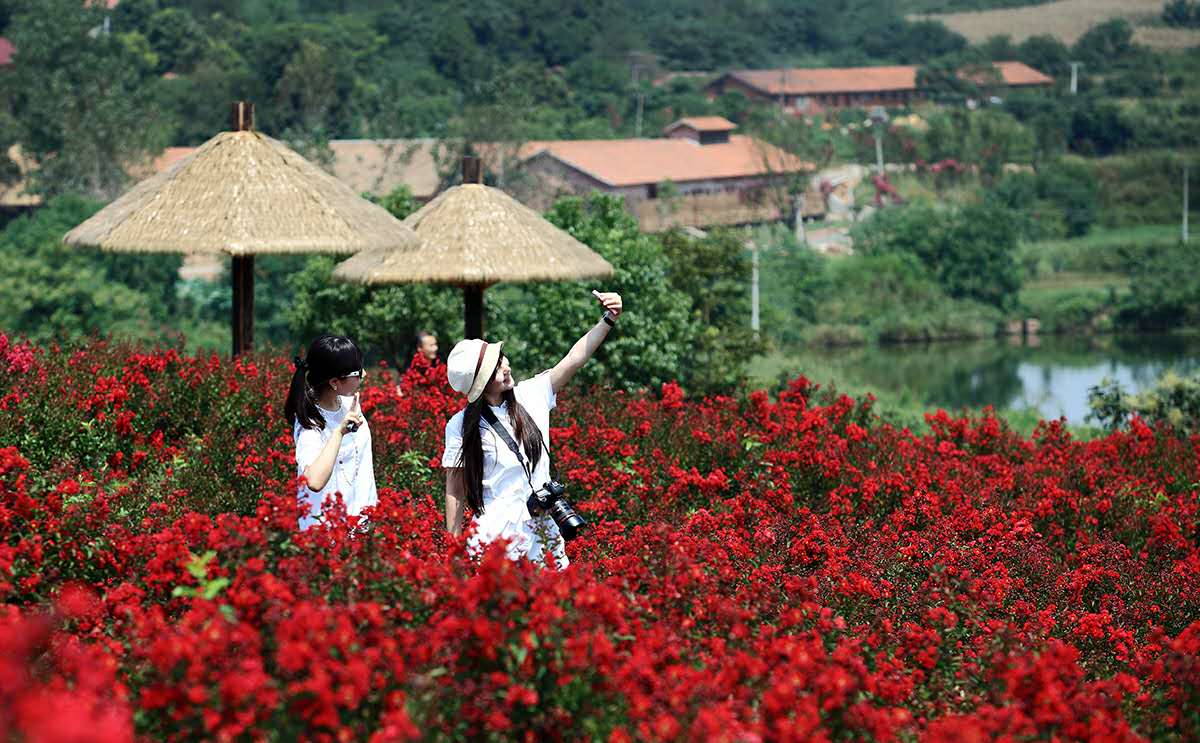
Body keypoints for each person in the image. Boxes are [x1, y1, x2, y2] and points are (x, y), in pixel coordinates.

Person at [441, 290, 623, 568]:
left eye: (501, 358)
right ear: (480, 384)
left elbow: (574, 359)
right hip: (496, 540)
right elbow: (454, 490)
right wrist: (452, 552)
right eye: (494, 368)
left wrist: (608, 319)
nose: (505, 366)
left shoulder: (531, 395)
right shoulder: (460, 425)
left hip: (543, 530)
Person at [284, 334, 377, 530]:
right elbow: (314, 481)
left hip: (360, 525)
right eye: (358, 372)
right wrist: (338, 433)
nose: (364, 375)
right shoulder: (310, 423)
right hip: (328, 535)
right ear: (335, 382)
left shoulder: (347, 404)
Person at [395, 330, 440, 397]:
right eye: (431, 345)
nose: (435, 348)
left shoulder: (439, 366)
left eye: (435, 344)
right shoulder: (410, 370)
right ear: (419, 348)